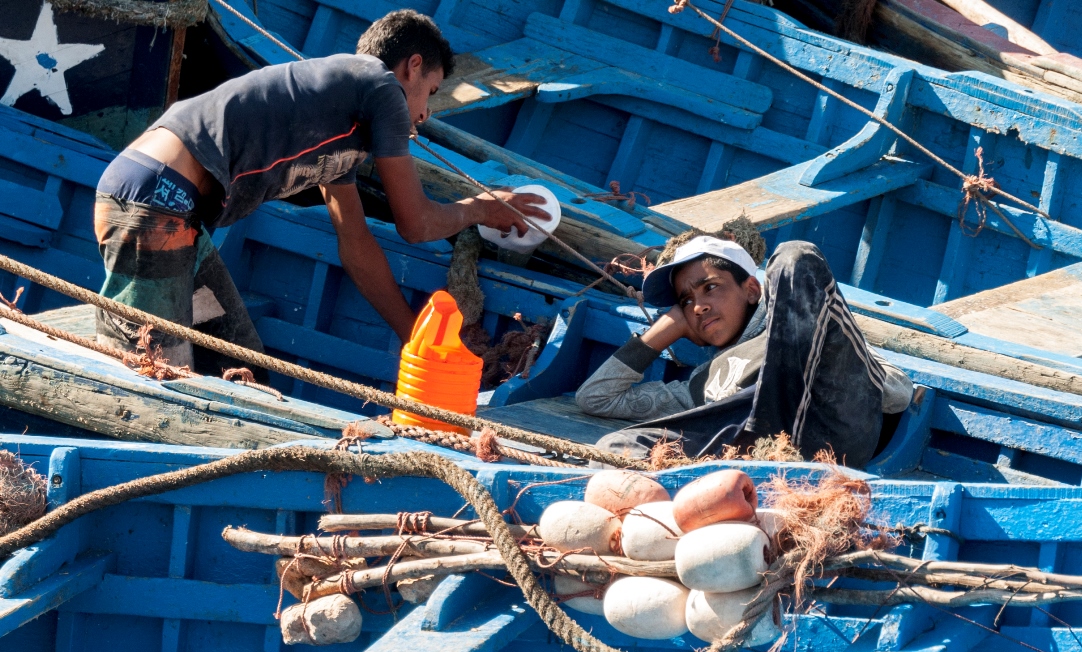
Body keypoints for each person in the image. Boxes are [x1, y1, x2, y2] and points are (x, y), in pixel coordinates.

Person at [92, 10, 545, 371]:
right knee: (158, 373)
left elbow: (357, 246)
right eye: (430, 91)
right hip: (155, 202)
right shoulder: (381, 87)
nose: (425, 114)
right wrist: (481, 209)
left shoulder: (341, 122)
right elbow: (415, 223)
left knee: (236, 363)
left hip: (176, 218)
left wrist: (415, 338)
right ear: (412, 67)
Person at [575, 236, 913, 467]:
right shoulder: (700, 384)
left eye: (710, 288)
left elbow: (898, 392)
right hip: (756, 453)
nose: (698, 307)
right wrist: (668, 328)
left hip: (828, 434)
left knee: (793, 256)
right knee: (614, 449)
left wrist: (796, 360)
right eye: (686, 301)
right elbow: (597, 398)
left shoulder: (802, 323)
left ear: (752, 290)